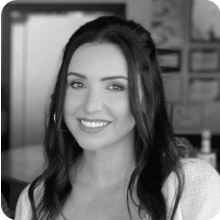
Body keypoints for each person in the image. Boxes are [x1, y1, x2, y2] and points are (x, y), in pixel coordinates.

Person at [14, 15, 220, 220]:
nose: (91, 106)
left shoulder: (193, 186)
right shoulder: (35, 199)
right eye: (78, 84)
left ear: (146, 99)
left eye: (115, 87)